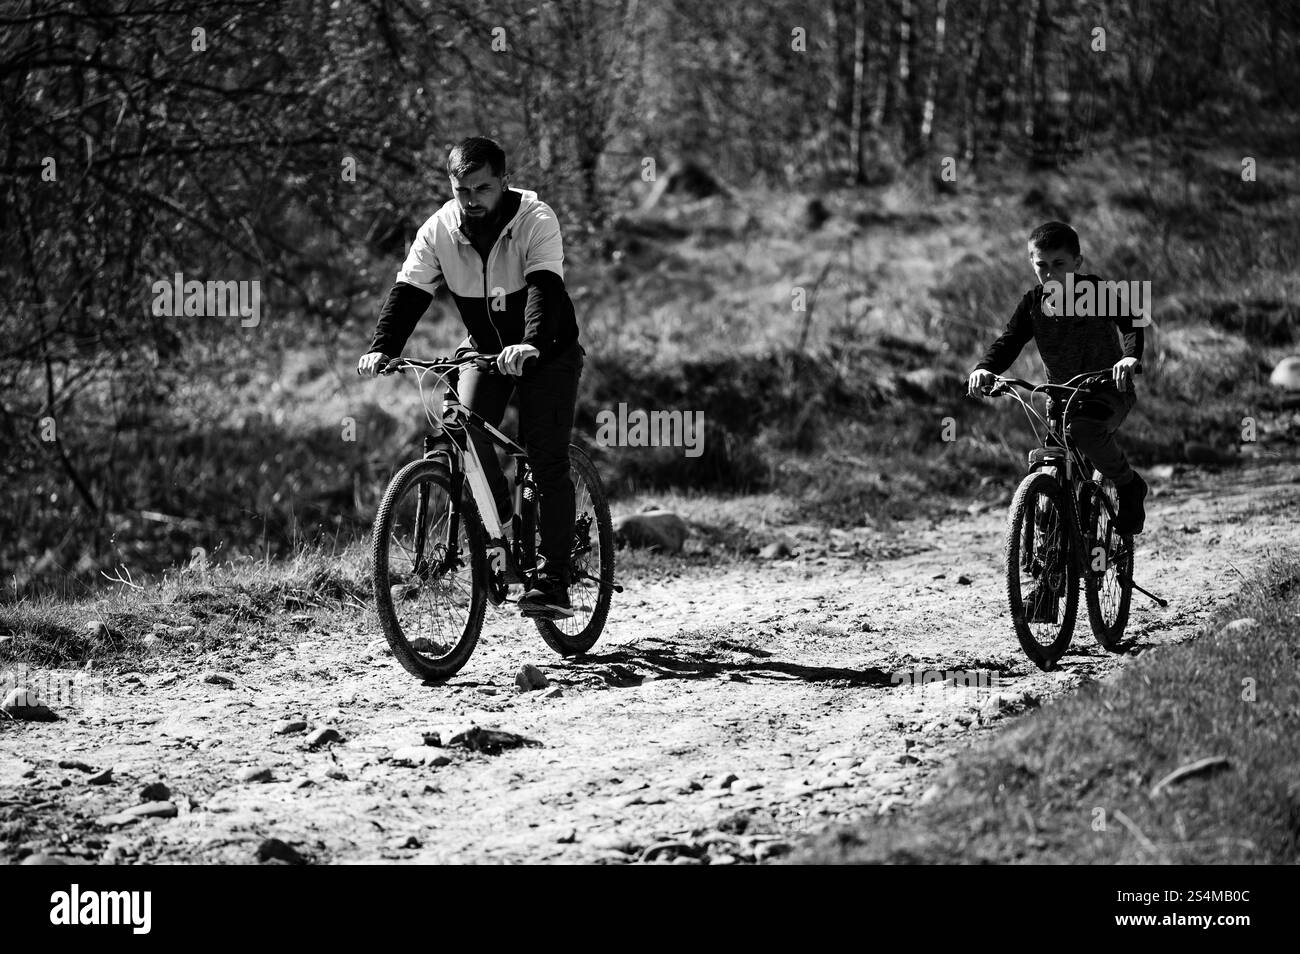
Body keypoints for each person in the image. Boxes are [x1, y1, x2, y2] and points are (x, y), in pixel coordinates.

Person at [357, 136, 583, 619]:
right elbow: (409, 291)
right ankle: (499, 525)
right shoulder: (440, 229)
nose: (473, 199)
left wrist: (532, 343)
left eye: (483, 188)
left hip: (549, 351)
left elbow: (545, 286)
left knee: (545, 458)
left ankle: (556, 579)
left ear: (504, 180)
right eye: (462, 190)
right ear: (452, 186)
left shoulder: (535, 220)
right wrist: (383, 349)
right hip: (484, 351)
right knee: (459, 422)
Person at [967, 221, 1148, 535]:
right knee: (1050, 477)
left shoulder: (1095, 292)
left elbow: (1131, 323)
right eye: (1042, 265)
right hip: (1061, 401)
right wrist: (986, 369)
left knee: (1085, 430)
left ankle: (1129, 485)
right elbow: (1009, 341)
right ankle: (1049, 575)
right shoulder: (1033, 304)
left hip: (1106, 392)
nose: (1050, 273)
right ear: (1032, 263)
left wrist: (1130, 357)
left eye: (1059, 265)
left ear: (1077, 263)